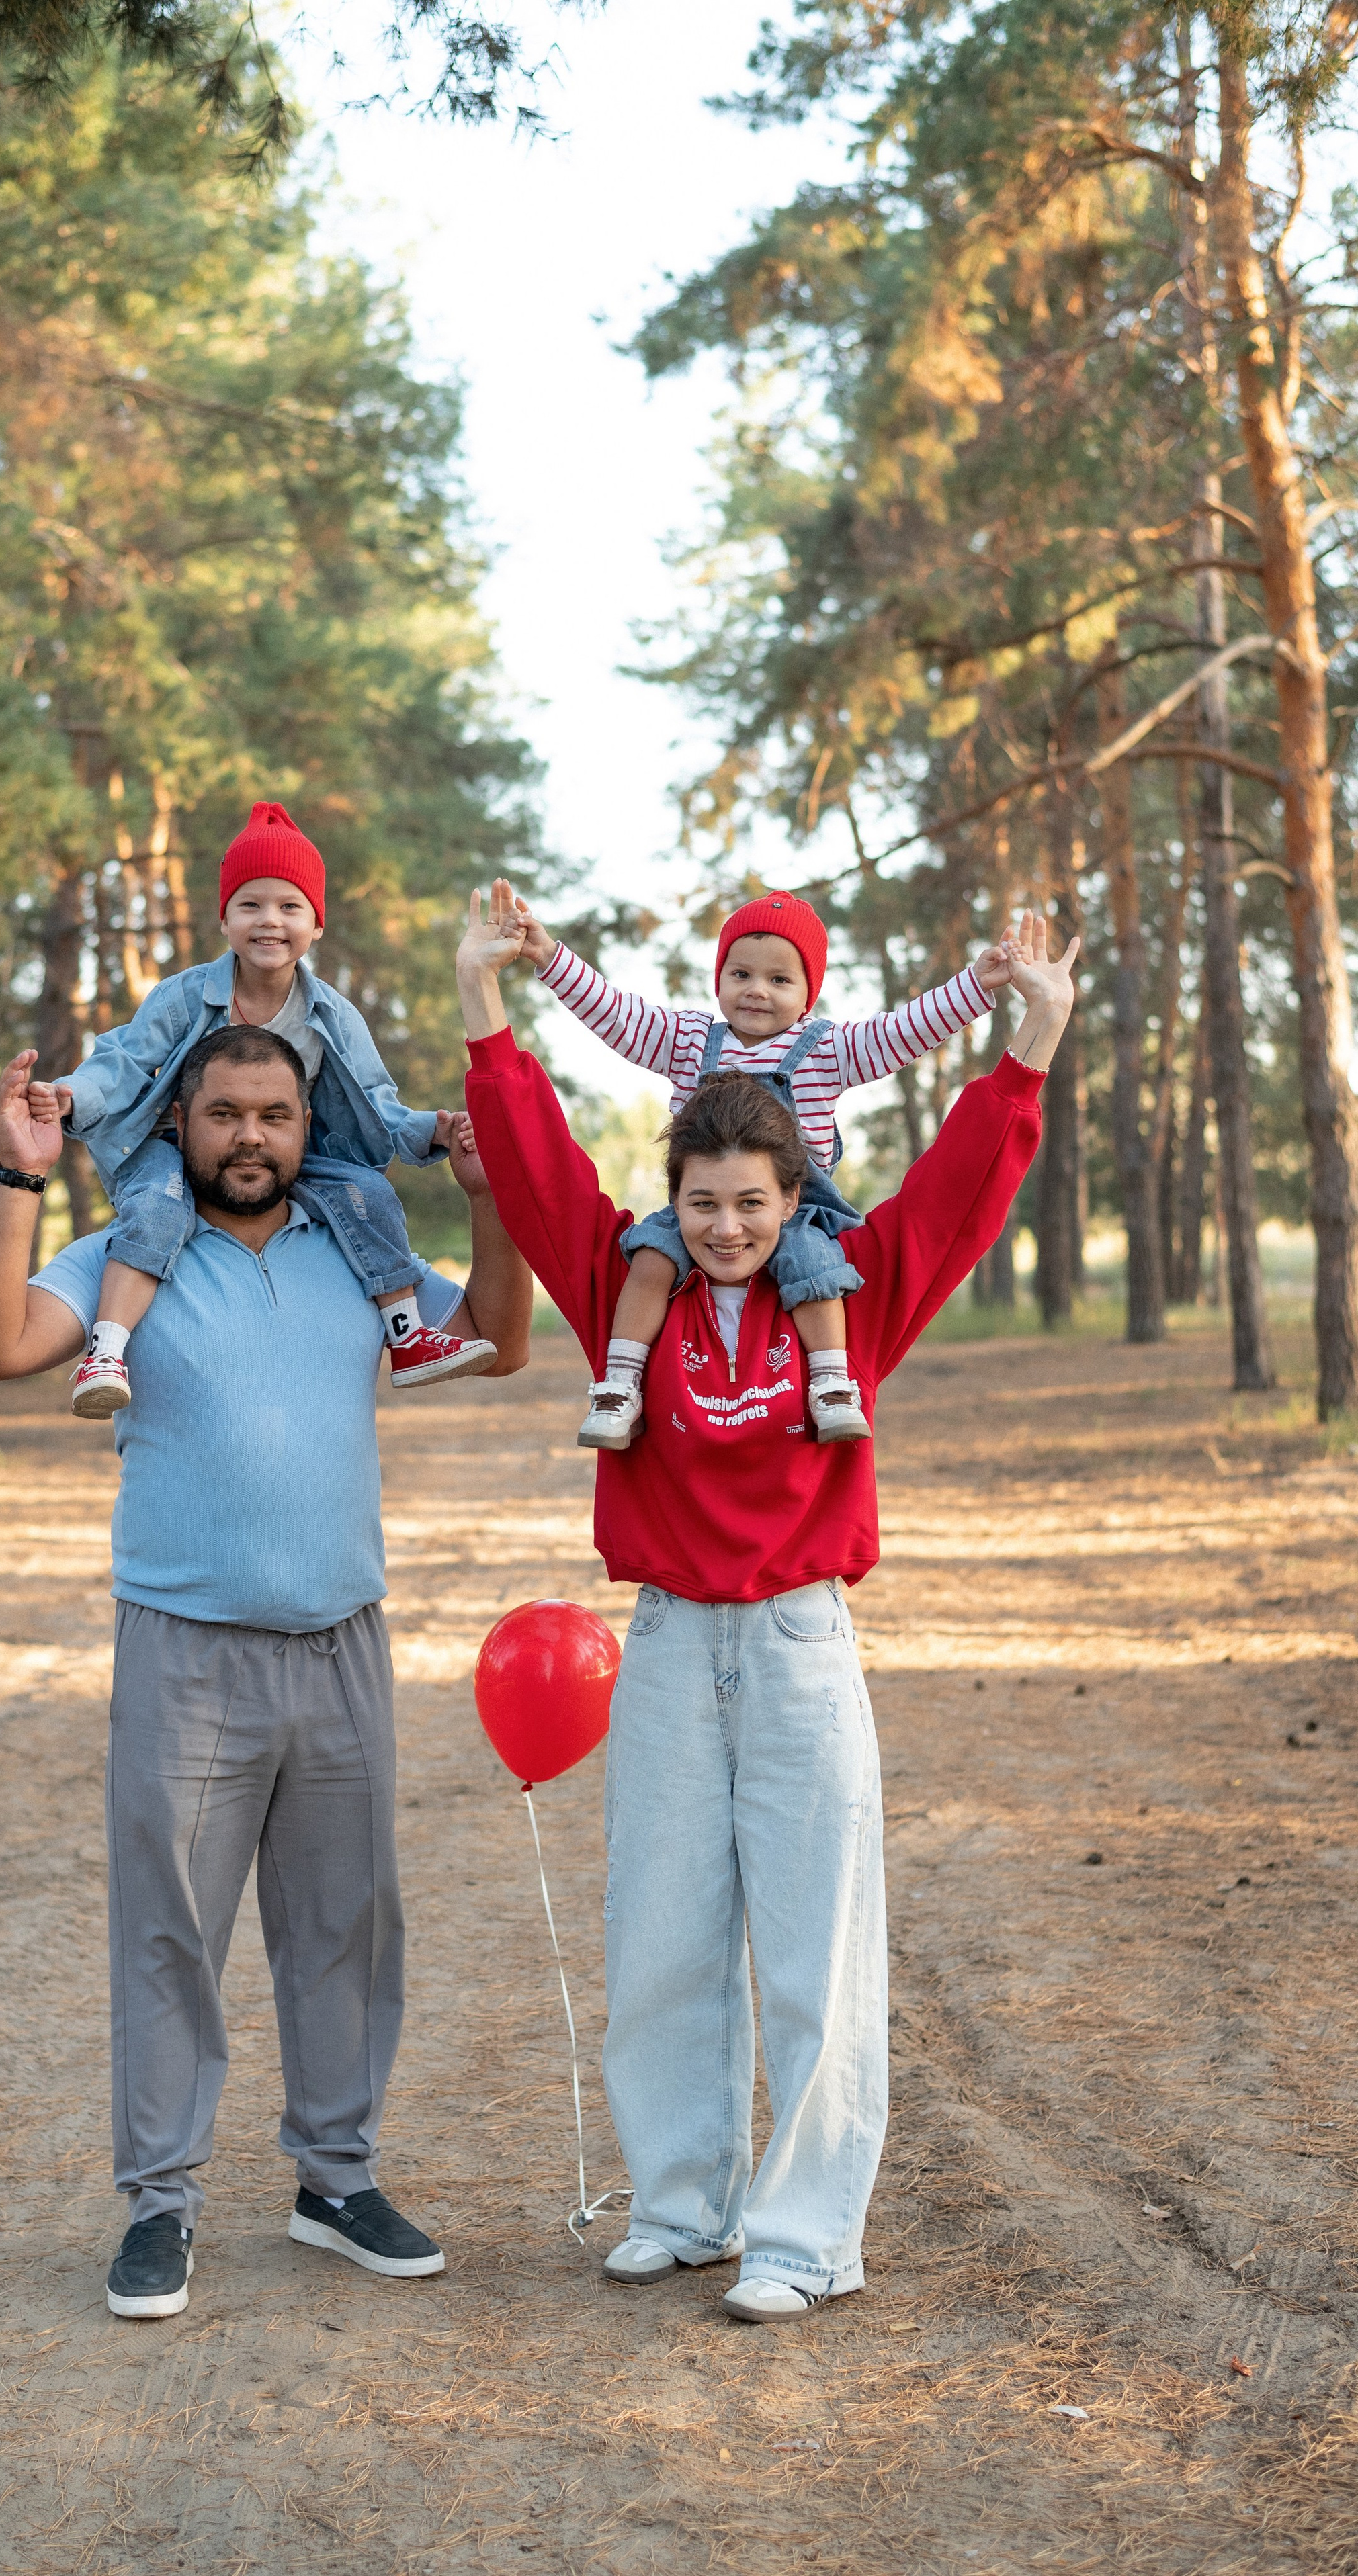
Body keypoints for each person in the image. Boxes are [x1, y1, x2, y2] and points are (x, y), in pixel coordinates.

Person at [454, 888, 1077, 2322]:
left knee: (811, 1950)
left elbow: (960, 1193)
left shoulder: (848, 1294)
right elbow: (540, 1167)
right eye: (702, 1202)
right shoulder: (630, 1288)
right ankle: (680, 2208)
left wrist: (1023, 1053)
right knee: (660, 1939)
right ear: (671, 1203)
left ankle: (803, 2240)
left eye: (752, 1203)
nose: (726, 1227)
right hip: (670, 1643)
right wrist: (489, 1009)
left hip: (797, 1643)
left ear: (793, 1204)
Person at [0, 1020, 533, 2319]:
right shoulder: (127, 1262)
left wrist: (489, 1198)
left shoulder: (357, 1254)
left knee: (344, 1927)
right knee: (172, 1934)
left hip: (340, 1649)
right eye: (225, 1116)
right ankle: (161, 2202)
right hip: (186, 1652)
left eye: (275, 1114)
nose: (250, 1136)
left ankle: (336, 2180)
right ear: (179, 1126)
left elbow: (502, 1335)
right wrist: (20, 1176)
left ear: (306, 1126)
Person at [502, 886, 1012, 1450]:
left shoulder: (826, 1051)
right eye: (740, 974)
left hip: (796, 1212)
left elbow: (902, 1031)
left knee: (815, 1271)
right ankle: (620, 1385)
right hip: (700, 1203)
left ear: (808, 994)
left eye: (779, 979)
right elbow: (617, 1013)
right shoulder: (689, 1041)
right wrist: (549, 957)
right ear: (719, 978)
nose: (756, 991)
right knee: (648, 1258)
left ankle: (832, 1385)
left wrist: (975, 985)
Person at [52, 801, 496, 1420]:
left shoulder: (331, 1014)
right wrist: (74, 1093)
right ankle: (106, 1349)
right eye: (251, 905)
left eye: (290, 907)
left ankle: (408, 1332)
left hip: (289, 1149)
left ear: (316, 925)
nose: (270, 921)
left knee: (367, 1192)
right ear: (225, 918)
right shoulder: (185, 996)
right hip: (175, 1146)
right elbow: (125, 1059)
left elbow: (376, 1097)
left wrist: (433, 1131)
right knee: (156, 1206)